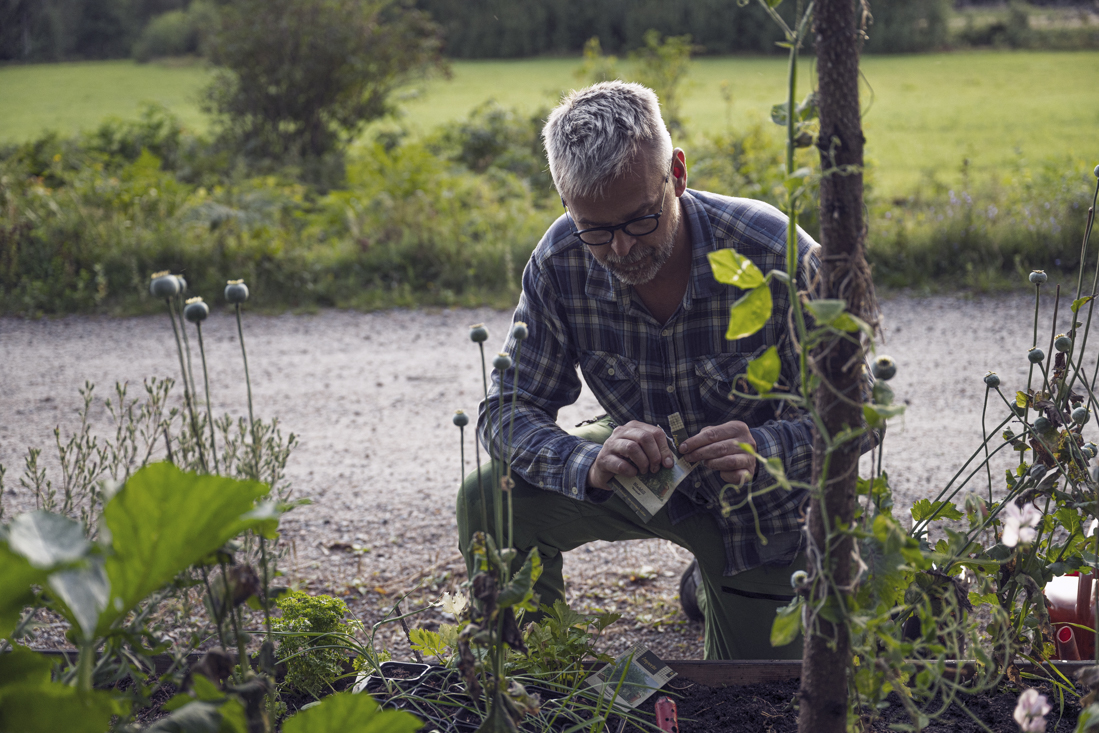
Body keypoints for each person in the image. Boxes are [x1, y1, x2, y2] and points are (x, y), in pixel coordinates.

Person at [456, 80, 821, 660]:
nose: (621, 249)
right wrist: (588, 461)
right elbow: (506, 410)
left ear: (676, 174)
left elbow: (857, 414)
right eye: (596, 230)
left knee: (756, 699)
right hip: (645, 478)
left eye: (640, 221)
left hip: (760, 510)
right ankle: (535, 673)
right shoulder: (560, 260)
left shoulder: (773, 251)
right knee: (487, 499)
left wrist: (767, 448)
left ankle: (717, 586)